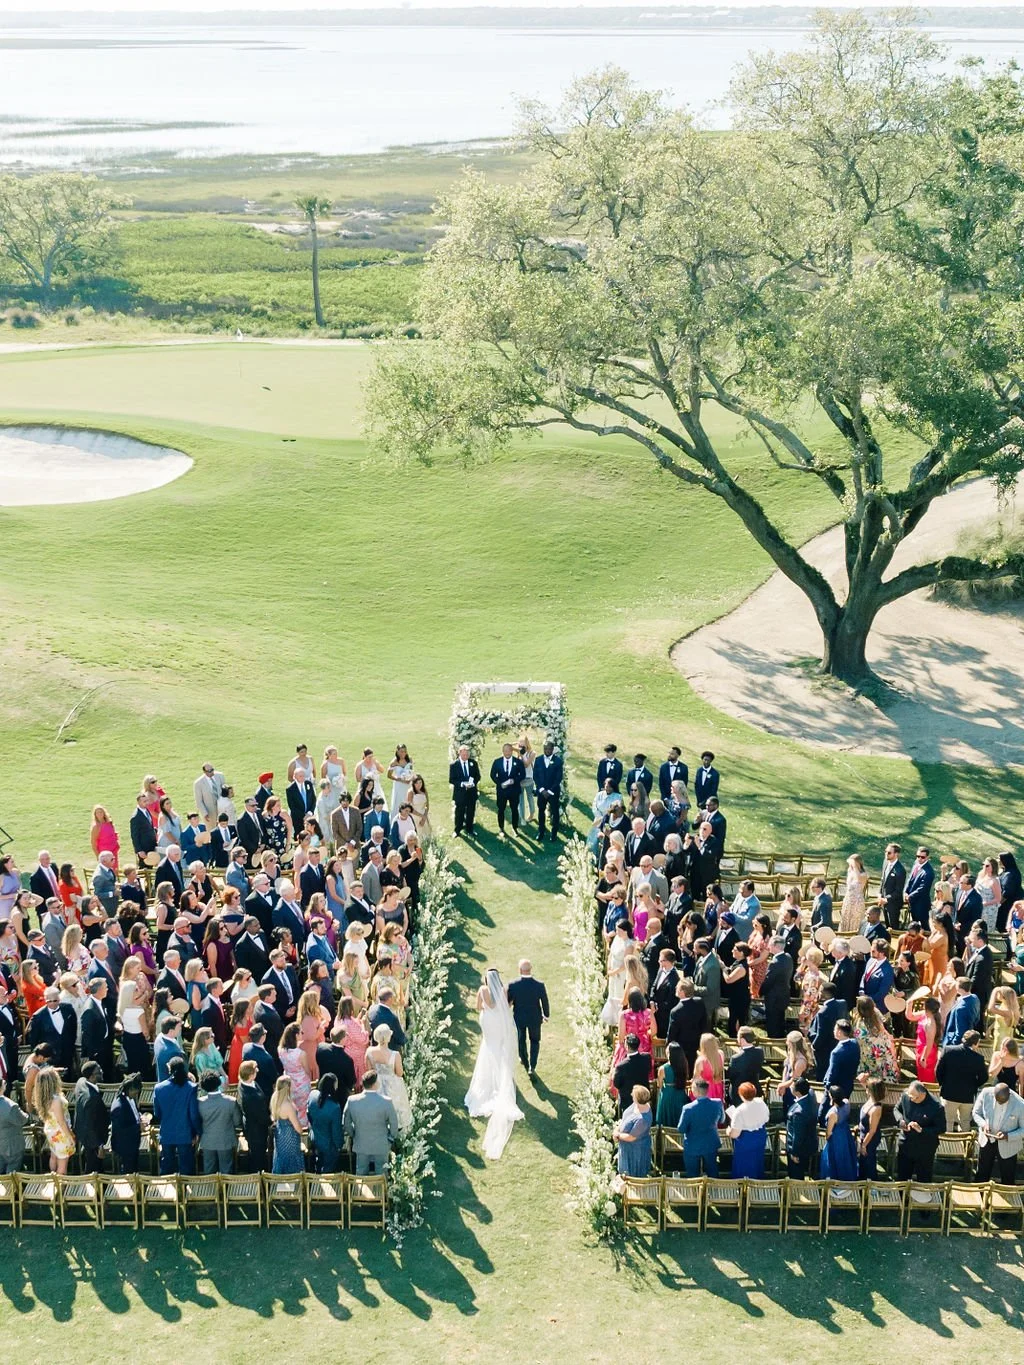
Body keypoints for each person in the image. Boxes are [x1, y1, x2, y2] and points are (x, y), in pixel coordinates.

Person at [464, 968, 523, 1159]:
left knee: (488, 1048)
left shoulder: (483, 990)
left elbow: (478, 1006)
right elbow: (506, 1006)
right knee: (496, 1049)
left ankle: (489, 1084)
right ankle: (500, 1080)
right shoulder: (504, 990)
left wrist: (486, 1006)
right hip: (498, 1021)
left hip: (488, 1020)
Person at [343, 1070, 398, 1175]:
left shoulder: (352, 1100)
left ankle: (361, 1191)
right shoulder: (386, 1101)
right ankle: (380, 1191)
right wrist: (390, 1138)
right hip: (381, 1144)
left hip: (361, 1142)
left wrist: (353, 1134)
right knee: (381, 1174)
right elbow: (394, 1123)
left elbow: (346, 1122)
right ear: (375, 1083)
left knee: (361, 1172)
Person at [153, 1056, 201, 1175]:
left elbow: (157, 1113)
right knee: (186, 1169)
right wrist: (197, 1132)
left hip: (167, 1133)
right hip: (185, 1133)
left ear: (170, 1069)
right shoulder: (191, 1088)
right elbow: (194, 1115)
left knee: (167, 1168)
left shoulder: (159, 1088)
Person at [936, 1029, 989, 1131]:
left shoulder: (948, 1050)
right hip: (967, 1096)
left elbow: (938, 1070)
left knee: (948, 1121)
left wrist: (943, 1083)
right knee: (965, 1122)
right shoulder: (979, 1058)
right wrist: (974, 1085)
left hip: (949, 1093)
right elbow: (984, 1077)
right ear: (976, 1043)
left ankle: (948, 1145)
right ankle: (965, 1145)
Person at [973, 1081, 1024, 1184]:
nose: (999, 1103)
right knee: (981, 1175)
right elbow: (976, 1113)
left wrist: (1008, 1135)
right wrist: (984, 1125)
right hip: (987, 1140)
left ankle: (1007, 1197)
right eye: (997, 1101)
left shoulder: (1020, 1104)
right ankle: (979, 1196)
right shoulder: (985, 1093)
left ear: (1009, 1095)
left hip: (1008, 1145)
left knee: (1008, 1178)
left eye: (1003, 1102)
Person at [894, 1081, 945, 1181]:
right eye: (910, 1096)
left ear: (923, 1094)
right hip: (906, 1143)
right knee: (902, 1177)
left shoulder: (936, 1106)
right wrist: (901, 1121)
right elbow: (896, 1109)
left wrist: (922, 1130)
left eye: (915, 1097)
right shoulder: (906, 1096)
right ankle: (902, 1196)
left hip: (925, 1147)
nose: (912, 1099)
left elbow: (941, 1128)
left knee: (924, 1178)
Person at [507, 960, 550, 1076]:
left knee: (521, 1039)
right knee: (535, 1041)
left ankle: (525, 1061)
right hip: (535, 1018)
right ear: (531, 969)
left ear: (520, 970)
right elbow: (545, 1001)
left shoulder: (513, 985)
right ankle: (532, 1066)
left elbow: (508, 1002)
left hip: (519, 1018)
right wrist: (546, 1015)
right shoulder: (539, 985)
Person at [366, 1023, 412, 1131]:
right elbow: (400, 1073)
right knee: (395, 1110)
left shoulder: (369, 1051)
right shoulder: (395, 1054)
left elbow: (369, 1071)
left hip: (376, 1084)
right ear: (388, 1038)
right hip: (393, 1086)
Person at [32, 1066, 75, 1174]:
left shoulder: (43, 1097)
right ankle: (60, 1186)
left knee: (54, 1155)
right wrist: (70, 1136)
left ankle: (53, 1176)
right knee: (63, 1163)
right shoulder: (55, 1100)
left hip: (51, 1130)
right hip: (60, 1132)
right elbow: (61, 1122)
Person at [197, 1071, 242, 1173]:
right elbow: (237, 1122)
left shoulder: (199, 1103)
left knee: (209, 1171)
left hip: (207, 1141)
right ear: (218, 1083)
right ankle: (227, 1189)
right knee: (227, 1170)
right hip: (226, 1140)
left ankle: (211, 1189)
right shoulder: (231, 1101)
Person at [72, 1061, 109, 1172]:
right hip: (92, 1138)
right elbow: (89, 1125)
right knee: (94, 1168)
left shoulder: (81, 1082)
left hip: (84, 1135)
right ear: (92, 1076)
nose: (101, 1072)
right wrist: (99, 1145)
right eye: (98, 1071)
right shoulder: (92, 1098)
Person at [728, 1082, 770, 1178]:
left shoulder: (739, 1111)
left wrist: (728, 1131)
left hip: (746, 1140)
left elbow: (735, 1134)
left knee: (743, 1165)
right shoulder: (761, 1102)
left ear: (741, 1095)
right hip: (760, 1136)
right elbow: (767, 1118)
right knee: (757, 1161)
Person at [238, 1059, 271, 1172]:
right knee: (257, 1157)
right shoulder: (250, 1096)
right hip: (256, 1131)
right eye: (255, 1070)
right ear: (250, 1075)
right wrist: (271, 1120)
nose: (257, 1071)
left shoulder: (249, 1083)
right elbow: (261, 1117)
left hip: (256, 1126)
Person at [614, 1084, 654, 1178]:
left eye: (634, 1094)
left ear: (638, 1098)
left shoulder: (642, 1120)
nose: (631, 1094)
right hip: (626, 1146)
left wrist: (617, 1135)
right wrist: (617, 1128)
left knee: (633, 1174)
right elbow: (625, 1118)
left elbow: (631, 1137)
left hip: (635, 1151)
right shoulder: (637, 1105)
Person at [819, 1084, 858, 1179]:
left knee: (834, 1160)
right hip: (845, 1133)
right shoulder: (846, 1103)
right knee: (846, 1158)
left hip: (836, 1137)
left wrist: (827, 1138)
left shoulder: (833, 1113)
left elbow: (829, 1132)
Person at [109, 1074, 144, 1174]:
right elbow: (120, 1130)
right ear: (130, 1089)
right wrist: (138, 1127)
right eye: (136, 1091)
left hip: (133, 1143)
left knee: (134, 1170)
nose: (137, 1094)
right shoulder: (119, 1106)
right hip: (125, 1147)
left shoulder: (130, 1099)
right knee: (128, 1173)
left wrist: (140, 1117)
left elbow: (134, 1112)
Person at [760, 936, 794, 1038]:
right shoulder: (788, 957)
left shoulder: (775, 963)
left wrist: (760, 992)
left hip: (773, 998)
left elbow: (768, 981)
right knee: (780, 1021)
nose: (768, 946)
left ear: (775, 946)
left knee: (772, 1023)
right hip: (783, 996)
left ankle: (773, 1042)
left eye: (770, 944)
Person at [489, 743, 525, 837]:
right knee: (501, 809)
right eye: (505, 751)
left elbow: (522, 775)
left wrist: (514, 780)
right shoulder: (497, 762)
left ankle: (515, 828)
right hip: (502, 791)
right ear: (503, 751)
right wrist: (500, 784)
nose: (507, 753)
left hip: (514, 791)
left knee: (514, 810)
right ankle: (501, 828)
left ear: (512, 751)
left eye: (509, 751)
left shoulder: (518, 762)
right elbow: (492, 775)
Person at [270, 1076, 304, 1174]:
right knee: (292, 1163)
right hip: (290, 1137)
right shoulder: (288, 1105)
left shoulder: (275, 1099)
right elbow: (297, 1126)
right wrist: (301, 1131)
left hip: (280, 1136)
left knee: (281, 1159)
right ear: (288, 1087)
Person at [785, 1077, 818, 1179]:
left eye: (792, 1086)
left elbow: (798, 1135)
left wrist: (794, 1153)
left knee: (796, 1174)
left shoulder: (798, 1112)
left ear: (797, 1092)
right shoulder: (811, 1095)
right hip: (809, 1142)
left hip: (800, 1149)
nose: (790, 1087)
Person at [821, 1020, 860, 1100]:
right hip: (848, 1085)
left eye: (835, 1029)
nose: (833, 1031)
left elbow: (832, 1072)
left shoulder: (836, 1053)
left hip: (835, 1090)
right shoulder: (855, 1043)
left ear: (839, 1032)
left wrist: (827, 1086)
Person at [906, 993, 941, 1083]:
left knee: (926, 1078)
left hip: (927, 1053)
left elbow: (929, 1043)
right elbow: (910, 1016)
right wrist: (909, 1004)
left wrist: (923, 1058)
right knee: (921, 1075)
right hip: (921, 1049)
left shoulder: (930, 1023)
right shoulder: (925, 1014)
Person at [533, 741, 563, 843]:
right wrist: (541, 790)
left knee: (555, 812)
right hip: (541, 792)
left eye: (549, 749)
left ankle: (554, 833)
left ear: (552, 749)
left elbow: (558, 778)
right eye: (545, 749)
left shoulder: (558, 761)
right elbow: (535, 776)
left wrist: (549, 791)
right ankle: (541, 831)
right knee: (541, 811)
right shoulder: (538, 760)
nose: (547, 751)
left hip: (553, 792)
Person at [655, 1042, 690, 1128]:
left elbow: (659, 1085)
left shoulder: (663, 1068)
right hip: (680, 1093)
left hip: (667, 1094)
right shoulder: (684, 1064)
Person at [449, 746, 481, 838]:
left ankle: (470, 829)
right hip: (460, 794)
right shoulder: (454, 765)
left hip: (471, 793)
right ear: (459, 753)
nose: (465, 756)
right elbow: (452, 780)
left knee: (471, 812)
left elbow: (477, 776)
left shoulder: (473, 763)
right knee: (459, 812)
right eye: (463, 754)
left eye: (467, 754)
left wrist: (473, 783)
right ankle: (457, 830)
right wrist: (462, 784)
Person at [726, 1027, 764, 1104]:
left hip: (739, 1094)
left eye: (737, 1037)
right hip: (754, 1090)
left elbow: (730, 1076)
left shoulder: (736, 1058)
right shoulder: (760, 1052)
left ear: (742, 1040)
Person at [857, 1079, 886, 1179]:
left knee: (868, 1163)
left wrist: (864, 1144)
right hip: (863, 1134)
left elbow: (872, 1130)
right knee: (863, 1162)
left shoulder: (876, 1109)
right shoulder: (871, 1099)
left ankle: (870, 1183)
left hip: (870, 1138)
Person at [0, 1079, 28, 1175]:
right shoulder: (10, 1106)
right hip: (11, 1146)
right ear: (2, 1087)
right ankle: (11, 1190)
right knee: (12, 1174)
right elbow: (23, 1120)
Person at [942, 977, 981, 1046]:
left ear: (959, 988)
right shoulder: (975, 998)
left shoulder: (961, 1008)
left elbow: (960, 1032)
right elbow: (977, 1018)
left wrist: (952, 1045)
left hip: (955, 1043)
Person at [879, 843, 907, 929]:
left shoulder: (900, 870)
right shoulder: (885, 863)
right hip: (883, 901)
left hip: (893, 904)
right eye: (886, 852)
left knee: (893, 927)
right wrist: (880, 893)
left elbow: (898, 891)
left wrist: (886, 899)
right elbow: (883, 880)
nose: (886, 854)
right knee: (887, 925)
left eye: (889, 852)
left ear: (896, 854)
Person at [839, 854, 868, 934]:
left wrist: (855, 866)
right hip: (848, 899)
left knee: (855, 919)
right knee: (845, 918)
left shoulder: (863, 874)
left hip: (857, 901)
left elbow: (858, 878)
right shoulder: (850, 871)